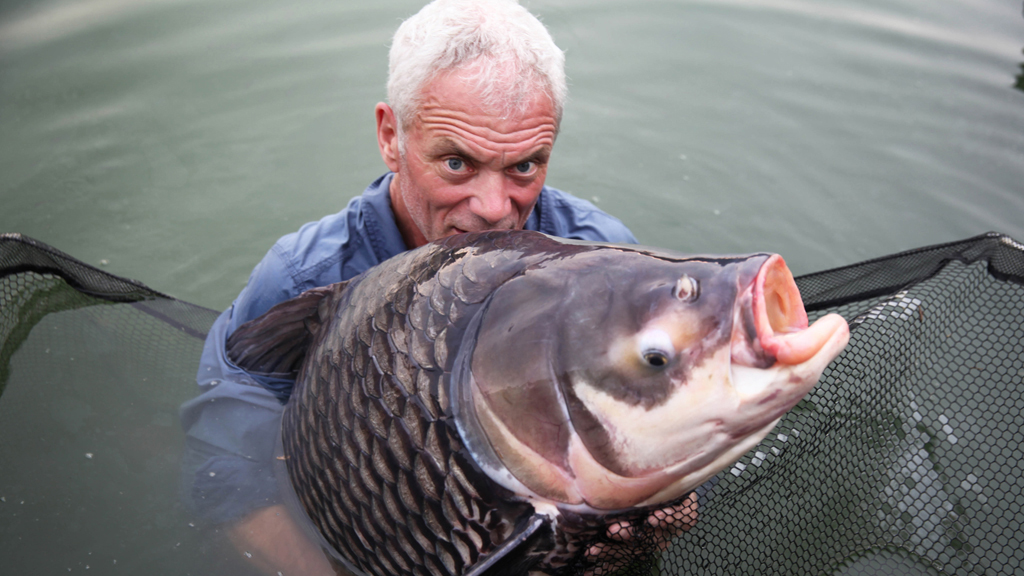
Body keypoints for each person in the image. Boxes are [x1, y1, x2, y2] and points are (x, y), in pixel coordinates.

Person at [179, 1, 696, 575]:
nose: (495, 209)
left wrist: (656, 521)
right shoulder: (304, 277)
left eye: (525, 166)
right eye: (457, 163)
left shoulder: (606, 261)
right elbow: (223, 465)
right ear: (390, 135)